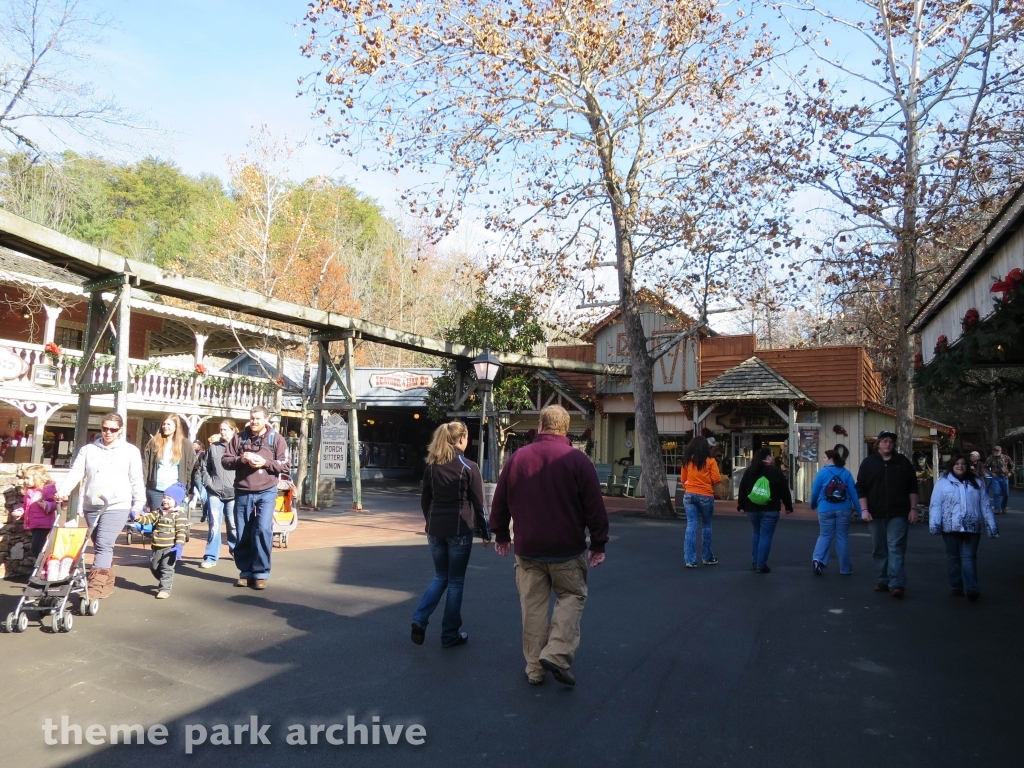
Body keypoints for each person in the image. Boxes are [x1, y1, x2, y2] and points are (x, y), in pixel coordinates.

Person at [489, 405, 609, 688]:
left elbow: (500, 500)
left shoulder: (518, 458)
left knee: (532, 609)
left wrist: (501, 535)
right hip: (566, 548)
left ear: (541, 426)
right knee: (572, 596)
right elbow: (594, 506)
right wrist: (598, 542)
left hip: (528, 548)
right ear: (565, 429)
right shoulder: (577, 461)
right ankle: (556, 652)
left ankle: (534, 669)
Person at [411, 421, 491, 648]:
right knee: (455, 581)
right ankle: (449, 633)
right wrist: (485, 532)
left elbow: (425, 499)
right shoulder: (468, 466)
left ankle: (420, 618)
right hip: (459, 528)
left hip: (435, 529)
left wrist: (430, 521)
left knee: (440, 576)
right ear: (462, 439)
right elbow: (478, 503)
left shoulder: (431, 467)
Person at [56, 413, 145, 599]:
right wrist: (63, 490)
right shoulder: (88, 449)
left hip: (117, 505)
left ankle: (94, 587)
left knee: (104, 544)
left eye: (113, 429)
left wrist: (138, 504)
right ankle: (108, 582)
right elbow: (77, 472)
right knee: (101, 545)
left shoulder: (130, 451)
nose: (108, 432)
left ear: (120, 430)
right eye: (105, 428)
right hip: (92, 505)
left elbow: (136, 479)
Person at [222, 406, 289, 590]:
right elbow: (226, 461)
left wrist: (265, 463)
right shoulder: (238, 438)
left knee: (262, 530)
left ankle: (261, 573)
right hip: (243, 491)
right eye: (252, 418)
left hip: (267, 491)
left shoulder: (276, 439)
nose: (254, 421)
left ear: (266, 420)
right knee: (242, 532)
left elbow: (285, 464)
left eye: (258, 418)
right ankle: (245, 572)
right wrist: (240, 460)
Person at [856, 430, 919, 598]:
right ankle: (883, 579)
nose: (888, 444)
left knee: (896, 548)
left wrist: (913, 509)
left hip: (899, 512)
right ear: (878, 444)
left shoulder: (903, 463)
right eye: (884, 441)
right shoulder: (869, 463)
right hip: (875, 514)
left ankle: (896, 583)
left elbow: (913, 486)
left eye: (890, 441)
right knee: (879, 549)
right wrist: (864, 509)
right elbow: (861, 487)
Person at [929, 453, 999, 601]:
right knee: (954, 558)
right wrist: (935, 525)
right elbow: (935, 505)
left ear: (967, 466)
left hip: (972, 526)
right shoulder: (942, 483)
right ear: (952, 466)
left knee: (968, 557)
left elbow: (985, 505)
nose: (960, 466)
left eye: (963, 463)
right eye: (956, 463)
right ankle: (956, 585)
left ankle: (972, 588)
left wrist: (992, 526)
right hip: (950, 527)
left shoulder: (976, 482)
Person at [736, 448, 793, 573]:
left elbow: (743, 488)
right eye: (771, 455)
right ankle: (761, 565)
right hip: (770, 508)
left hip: (752, 508)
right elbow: (784, 490)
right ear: (768, 458)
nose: (772, 457)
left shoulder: (749, 471)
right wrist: (788, 506)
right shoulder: (775, 472)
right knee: (766, 536)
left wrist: (741, 505)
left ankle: (755, 561)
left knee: (756, 532)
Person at [130, 482, 189, 599]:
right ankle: (164, 579)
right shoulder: (158, 512)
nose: (165, 500)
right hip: (157, 545)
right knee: (154, 566)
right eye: (164, 497)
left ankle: (165, 589)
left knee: (166, 568)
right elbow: (147, 519)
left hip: (170, 548)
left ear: (176, 501)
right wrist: (138, 518)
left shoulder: (179, 515)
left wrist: (179, 545)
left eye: (169, 498)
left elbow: (181, 531)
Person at [809, 445, 859, 575]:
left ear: (830, 459)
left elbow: (815, 492)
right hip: (844, 508)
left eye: (825, 457)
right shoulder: (846, 473)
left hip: (825, 508)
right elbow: (854, 494)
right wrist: (860, 512)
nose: (824, 460)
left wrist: (813, 505)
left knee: (825, 534)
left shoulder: (822, 473)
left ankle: (817, 559)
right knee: (842, 537)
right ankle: (845, 568)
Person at [199, 420, 238, 568]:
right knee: (214, 524)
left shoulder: (239, 448)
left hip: (234, 493)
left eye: (226, 430)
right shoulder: (213, 448)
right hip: (214, 492)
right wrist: (208, 483)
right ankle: (210, 556)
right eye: (221, 430)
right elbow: (204, 467)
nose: (222, 432)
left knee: (233, 524)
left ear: (234, 430)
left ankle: (236, 551)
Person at [679, 435, 721, 568]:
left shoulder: (687, 460)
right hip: (705, 495)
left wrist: (689, 488)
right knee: (707, 525)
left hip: (690, 494)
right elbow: (717, 478)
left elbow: (683, 479)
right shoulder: (710, 461)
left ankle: (690, 559)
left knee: (691, 525)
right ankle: (707, 557)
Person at [142, 414, 195, 513]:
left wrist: (189, 490)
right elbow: (145, 465)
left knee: (173, 523)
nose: (165, 426)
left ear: (176, 426)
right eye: (164, 424)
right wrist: (142, 485)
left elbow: (190, 468)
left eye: (169, 424)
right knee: (156, 520)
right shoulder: (154, 442)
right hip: (156, 489)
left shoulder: (185, 444)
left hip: (175, 490)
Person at [12, 465, 58, 558]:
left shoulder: (47, 489)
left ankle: (43, 565)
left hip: (44, 524)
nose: (25, 481)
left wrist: (47, 505)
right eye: (24, 478)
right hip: (34, 523)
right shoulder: (30, 491)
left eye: (28, 478)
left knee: (36, 547)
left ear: (37, 477)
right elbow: (26, 505)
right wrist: (21, 511)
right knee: (37, 547)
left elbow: (57, 503)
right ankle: (41, 566)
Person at [984, 445, 1014, 514]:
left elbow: (1012, 465)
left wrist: (1010, 473)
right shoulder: (991, 458)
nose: (996, 452)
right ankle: (997, 509)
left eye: (997, 450)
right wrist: (991, 473)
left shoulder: (1006, 457)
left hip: (1004, 477)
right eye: (995, 450)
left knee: (1006, 494)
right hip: (996, 477)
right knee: (996, 493)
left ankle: (1004, 507)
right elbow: (985, 467)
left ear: (1000, 451)